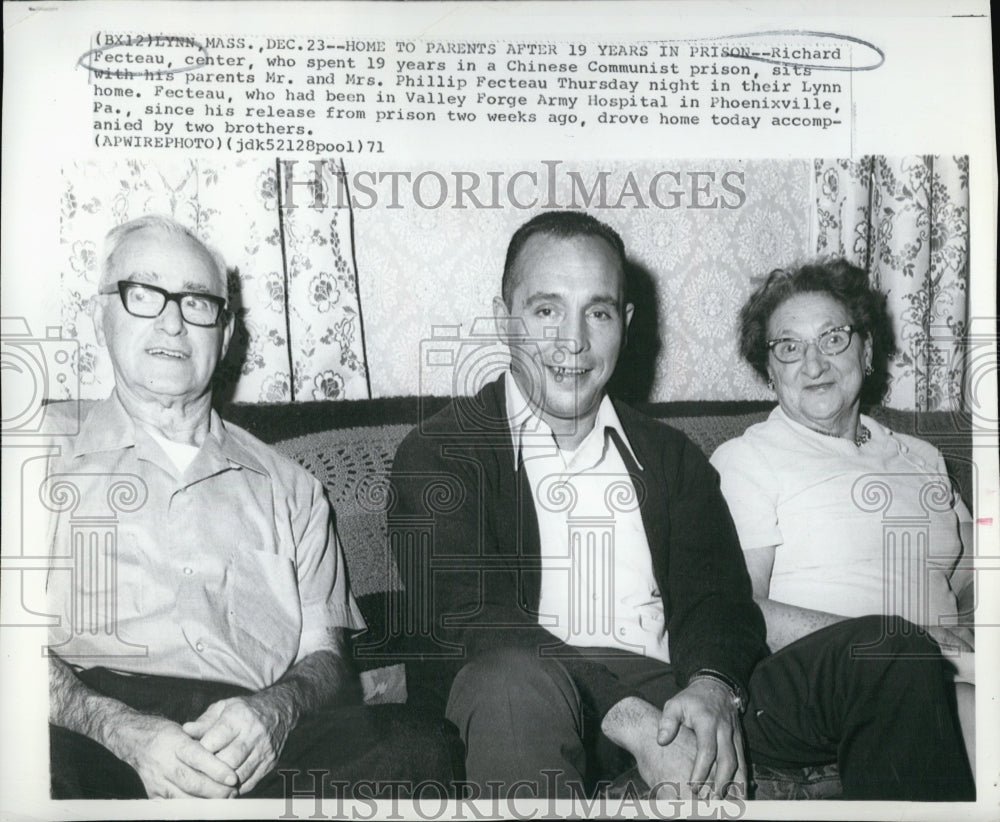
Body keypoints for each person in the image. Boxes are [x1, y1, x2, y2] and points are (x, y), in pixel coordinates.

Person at [389, 211, 976, 801]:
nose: (574, 341)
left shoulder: (670, 455)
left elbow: (717, 597)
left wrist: (712, 686)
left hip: (672, 690)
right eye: (547, 311)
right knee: (512, 681)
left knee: (894, 650)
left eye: (597, 312)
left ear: (625, 321)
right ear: (503, 321)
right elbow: (466, 617)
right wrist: (631, 721)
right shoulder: (441, 451)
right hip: (529, 693)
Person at [45, 215, 461, 799]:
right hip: (89, 735)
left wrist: (273, 713)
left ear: (226, 328)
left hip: (257, 742)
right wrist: (118, 728)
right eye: (144, 295)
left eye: (197, 302)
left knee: (418, 747)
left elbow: (326, 662)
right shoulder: (31, 457)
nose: (172, 321)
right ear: (101, 313)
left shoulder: (293, 488)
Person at [710, 258, 976, 769]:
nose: (813, 364)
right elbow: (739, 609)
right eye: (789, 347)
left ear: (867, 349)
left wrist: (971, 627)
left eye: (832, 338)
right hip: (828, 677)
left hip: (950, 664)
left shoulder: (920, 456)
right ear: (770, 369)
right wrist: (913, 641)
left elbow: (971, 577)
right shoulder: (748, 459)